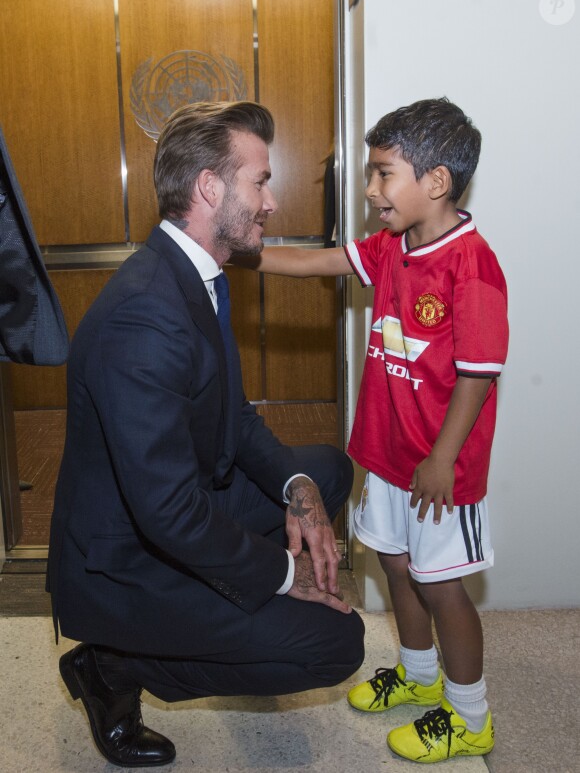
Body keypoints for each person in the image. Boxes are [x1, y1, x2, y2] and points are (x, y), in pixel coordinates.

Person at [47, 100, 364, 768]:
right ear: (210, 188)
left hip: (180, 505)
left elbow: (235, 417)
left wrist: (298, 487)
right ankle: (111, 664)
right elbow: (167, 514)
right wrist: (283, 575)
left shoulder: (198, 275)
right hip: (127, 559)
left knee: (326, 471)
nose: (271, 201)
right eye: (260, 181)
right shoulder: (145, 313)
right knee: (337, 644)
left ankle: (226, 600)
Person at [235, 98, 509, 764]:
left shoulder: (472, 264)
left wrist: (442, 458)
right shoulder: (391, 248)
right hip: (386, 458)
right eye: (371, 173)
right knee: (395, 565)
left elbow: (478, 374)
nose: (370, 189)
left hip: (439, 471)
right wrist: (244, 254)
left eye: (384, 173)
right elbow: (321, 263)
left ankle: (470, 715)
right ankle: (419, 676)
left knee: (441, 584)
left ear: (436, 181)